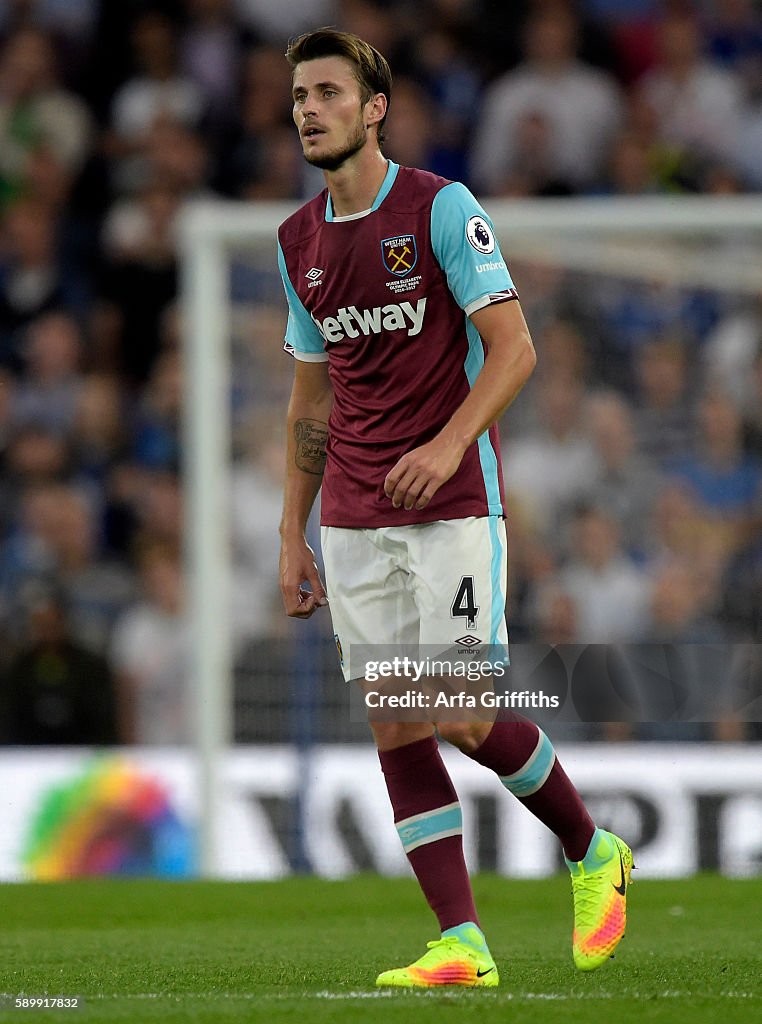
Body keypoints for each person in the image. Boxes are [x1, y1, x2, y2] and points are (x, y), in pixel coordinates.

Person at [276, 27, 633, 989]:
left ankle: (592, 849)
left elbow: (515, 348)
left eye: (327, 93)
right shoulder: (296, 242)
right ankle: (462, 944)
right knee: (396, 717)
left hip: (451, 503)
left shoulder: (441, 208)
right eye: (299, 95)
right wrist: (291, 532)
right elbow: (312, 401)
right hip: (351, 516)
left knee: (459, 710)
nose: (308, 109)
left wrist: (443, 445)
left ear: (374, 107)